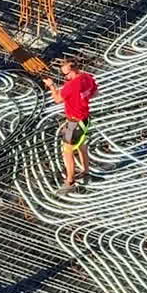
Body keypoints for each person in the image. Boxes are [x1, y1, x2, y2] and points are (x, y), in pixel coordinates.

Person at [44, 57, 98, 193]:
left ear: (73, 70)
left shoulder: (71, 86)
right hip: (85, 119)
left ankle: (70, 182)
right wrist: (81, 99)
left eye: (66, 74)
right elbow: (95, 93)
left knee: (67, 152)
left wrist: (51, 86)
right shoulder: (87, 77)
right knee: (81, 146)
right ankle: (86, 173)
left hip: (74, 122)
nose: (65, 77)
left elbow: (57, 99)